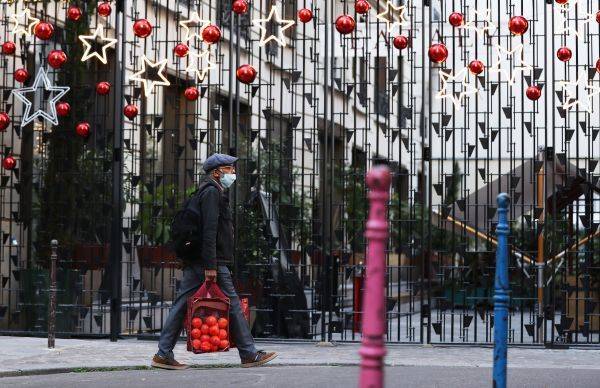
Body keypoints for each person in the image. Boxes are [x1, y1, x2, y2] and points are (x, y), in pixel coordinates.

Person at [152, 153, 277, 370]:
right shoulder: (211, 193)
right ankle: (248, 354)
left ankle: (163, 354)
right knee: (233, 304)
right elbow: (209, 231)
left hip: (203, 260)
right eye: (229, 169)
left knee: (182, 304)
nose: (233, 173)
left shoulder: (210, 191)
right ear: (217, 172)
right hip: (210, 262)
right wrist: (211, 265)